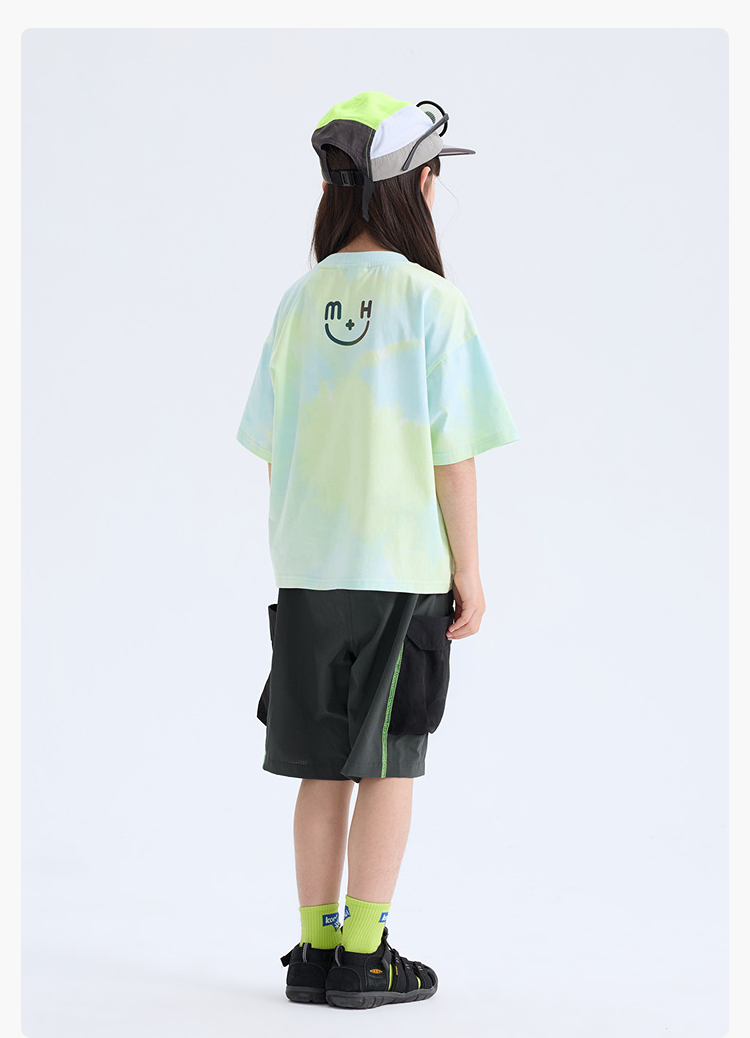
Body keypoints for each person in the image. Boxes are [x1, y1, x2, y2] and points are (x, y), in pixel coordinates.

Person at [236, 91, 520, 1010]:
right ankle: (366, 954)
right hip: (400, 570)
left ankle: (316, 948)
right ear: (418, 183)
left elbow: (271, 444)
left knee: (320, 766)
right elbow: (452, 453)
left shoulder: (296, 301)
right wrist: (469, 571)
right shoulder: (431, 302)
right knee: (389, 762)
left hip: (308, 572)